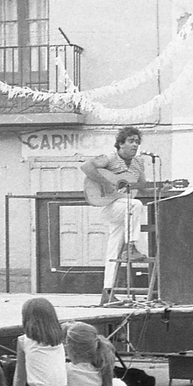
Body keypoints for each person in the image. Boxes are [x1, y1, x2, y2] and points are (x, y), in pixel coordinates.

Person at [80, 126, 149, 303]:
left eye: (137, 142)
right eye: (131, 141)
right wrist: (105, 182)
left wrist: (161, 186)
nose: (135, 145)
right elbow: (86, 166)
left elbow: (141, 186)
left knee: (113, 248)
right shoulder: (109, 157)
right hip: (109, 205)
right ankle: (131, 247)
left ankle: (107, 293)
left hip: (123, 207)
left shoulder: (139, 163)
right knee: (136, 204)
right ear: (120, 144)